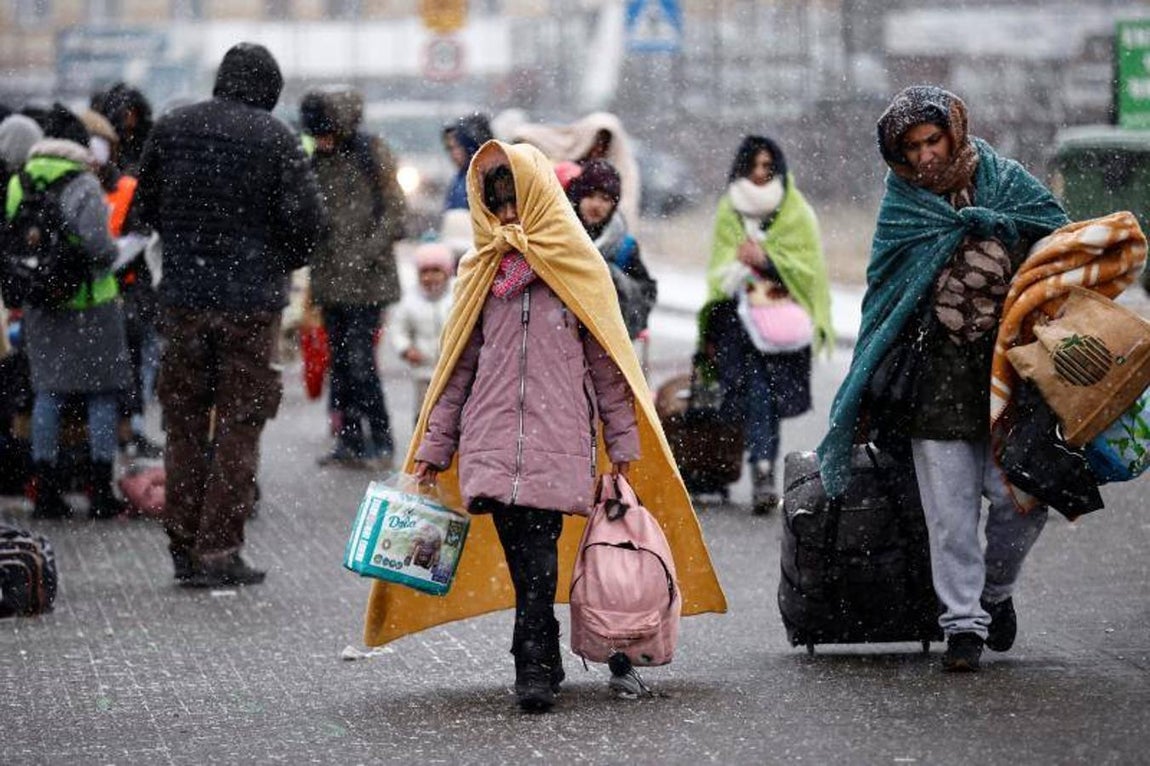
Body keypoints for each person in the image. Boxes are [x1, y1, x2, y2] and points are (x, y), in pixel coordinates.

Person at [380, 140, 725, 713]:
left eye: (516, 201)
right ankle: (539, 653)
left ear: (539, 197)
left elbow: (607, 366)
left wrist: (622, 444)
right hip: (490, 437)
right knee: (525, 557)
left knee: (538, 553)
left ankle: (533, 660)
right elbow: (456, 369)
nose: (509, 215)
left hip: (557, 437)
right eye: (498, 204)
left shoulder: (575, 267)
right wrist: (435, 446)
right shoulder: (482, 270)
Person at [817, 86, 1070, 672]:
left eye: (933, 140)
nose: (926, 155)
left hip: (1014, 376)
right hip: (935, 383)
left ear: (954, 132)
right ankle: (962, 626)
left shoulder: (1005, 182)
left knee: (1022, 501)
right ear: (898, 156)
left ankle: (995, 596)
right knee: (950, 517)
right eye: (912, 148)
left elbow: (1060, 242)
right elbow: (885, 294)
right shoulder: (904, 206)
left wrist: (1002, 228)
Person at [134, 42, 324, 587]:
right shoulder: (276, 138)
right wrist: (271, 260)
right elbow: (308, 224)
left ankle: (183, 545)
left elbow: (144, 210)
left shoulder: (171, 128)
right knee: (242, 422)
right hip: (250, 306)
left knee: (185, 421)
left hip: (184, 301)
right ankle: (220, 549)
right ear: (269, 88)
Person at [5, 105, 132, 519]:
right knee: (100, 395)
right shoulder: (83, 183)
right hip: (91, 303)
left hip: (41, 302)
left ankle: (44, 490)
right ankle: (99, 490)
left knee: (48, 394)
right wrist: (118, 249)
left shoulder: (18, 182)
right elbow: (99, 247)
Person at [702, 135, 833, 514]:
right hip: (736, 325)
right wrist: (741, 266)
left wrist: (766, 260)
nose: (760, 174)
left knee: (767, 399)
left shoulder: (796, 212)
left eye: (767, 166)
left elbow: (809, 272)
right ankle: (760, 469)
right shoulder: (730, 211)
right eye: (753, 166)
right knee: (754, 397)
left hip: (783, 327)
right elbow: (717, 270)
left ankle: (762, 470)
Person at [300, 87, 406, 469]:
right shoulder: (317, 161)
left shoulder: (369, 152)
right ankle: (349, 439)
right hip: (330, 278)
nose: (321, 141)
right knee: (340, 363)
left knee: (361, 361)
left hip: (367, 280)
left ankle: (381, 438)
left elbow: (395, 210)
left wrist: (365, 252)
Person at [80, 108, 164, 461]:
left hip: (124, 295)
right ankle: (116, 439)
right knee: (110, 376)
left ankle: (130, 432)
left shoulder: (127, 188)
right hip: (95, 295)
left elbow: (143, 236)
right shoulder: (76, 189)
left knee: (129, 368)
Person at [567, 159, 657, 340]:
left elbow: (644, 297)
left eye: (605, 199)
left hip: (603, 344)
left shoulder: (624, 248)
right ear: (578, 197)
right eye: (590, 196)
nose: (596, 205)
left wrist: (611, 277)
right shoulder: (555, 236)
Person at [508, 112, 642, 226]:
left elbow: (625, 211)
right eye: (597, 140)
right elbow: (530, 136)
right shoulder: (565, 162)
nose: (598, 148)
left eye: (604, 143)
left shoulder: (622, 170)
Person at [389, 242, 454, 425]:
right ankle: (421, 447)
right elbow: (398, 329)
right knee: (424, 414)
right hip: (424, 370)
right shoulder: (410, 301)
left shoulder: (457, 297)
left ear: (447, 273)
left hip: (453, 370)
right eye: (424, 272)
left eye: (436, 271)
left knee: (452, 413)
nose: (430, 277)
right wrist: (406, 349)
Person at [91, 83, 153, 176]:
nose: (131, 116)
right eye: (126, 112)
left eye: (134, 112)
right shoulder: (109, 139)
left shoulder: (146, 137)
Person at [442, 113, 492, 212]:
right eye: (449, 149)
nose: (452, 154)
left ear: (469, 145)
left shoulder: (485, 178)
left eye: (456, 147)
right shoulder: (459, 180)